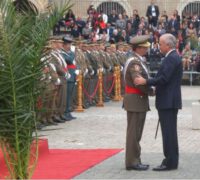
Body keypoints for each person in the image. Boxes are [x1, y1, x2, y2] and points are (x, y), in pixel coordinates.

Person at [134, 33, 183, 171]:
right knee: (170, 132)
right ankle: (172, 160)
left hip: (168, 102)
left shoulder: (171, 58)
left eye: (160, 44)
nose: (159, 46)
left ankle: (169, 162)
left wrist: (146, 81)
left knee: (168, 133)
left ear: (168, 45)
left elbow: (164, 79)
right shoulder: (172, 57)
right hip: (169, 100)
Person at [123, 35, 153, 171]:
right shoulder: (135, 63)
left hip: (138, 100)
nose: (147, 49)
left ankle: (136, 159)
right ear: (139, 48)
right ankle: (132, 162)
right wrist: (152, 90)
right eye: (145, 47)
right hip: (136, 100)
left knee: (136, 132)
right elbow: (138, 82)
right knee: (134, 133)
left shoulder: (138, 60)